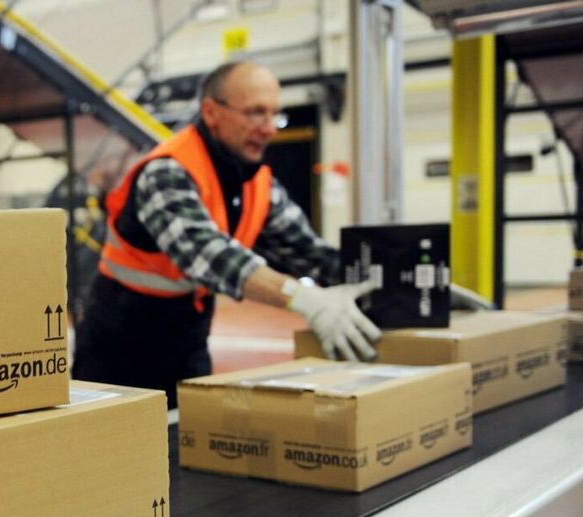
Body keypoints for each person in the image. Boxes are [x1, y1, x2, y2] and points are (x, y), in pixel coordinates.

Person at [72, 61, 485, 408]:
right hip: (120, 342)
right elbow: (209, 255)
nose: (269, 128)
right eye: (256, 113)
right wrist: (304, 299)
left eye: (275, 115)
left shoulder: (259, 184)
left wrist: (408, 284)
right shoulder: (167, 171)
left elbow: (312, 254)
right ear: (211, 112)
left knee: (182, 446)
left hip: (186, 337)